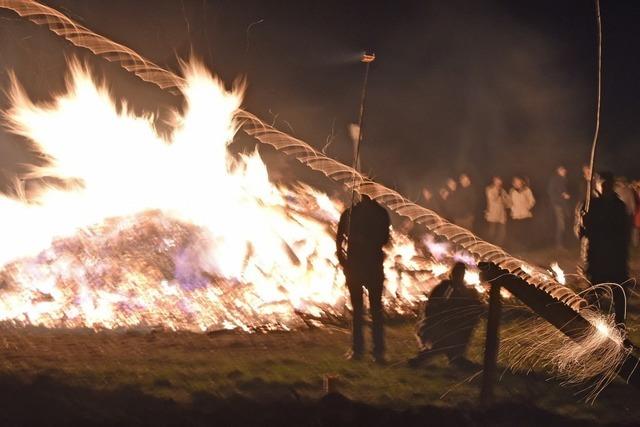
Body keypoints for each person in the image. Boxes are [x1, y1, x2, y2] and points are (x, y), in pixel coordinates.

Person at [336, 194, 391, 362]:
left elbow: (384, 239)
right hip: (358, 266)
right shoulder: (351, 213)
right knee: (363, 310)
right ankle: (363, 350)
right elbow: (339, 238)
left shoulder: (376, 213)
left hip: (369, 266)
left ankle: (374, 351)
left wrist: (362, 241)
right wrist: (343, 260)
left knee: (372, 310)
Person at [577, 172, 631, 325]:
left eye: (609, 183)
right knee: (594, 295)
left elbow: (624, 233)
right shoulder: (588, 205)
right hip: (596, 256)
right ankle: (589, 329)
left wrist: (623, 256)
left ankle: (620, 328)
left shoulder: (619, 206)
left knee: (620, 295)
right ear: (597, 184)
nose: (606, 186)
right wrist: (582, 223)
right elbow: (580, 234)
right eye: (603, 183)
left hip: (616, 258)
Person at [409, 262, 483, 367]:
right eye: (457, 273)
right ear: (452, 273)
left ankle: (456, 357)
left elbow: (472, 308)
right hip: (436, 326)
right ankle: (426, 357)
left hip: (455, 326)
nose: (460, 276)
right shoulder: (444, 287)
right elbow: (431, 310)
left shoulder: (465, 291)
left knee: (459, 333)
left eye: (462, 273)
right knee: (444, 343)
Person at [548, 165, 571, 249]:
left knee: (564, 224)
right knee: (561, 225)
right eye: (562, 169)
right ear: (558, 170)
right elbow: (551, 193)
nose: (564, 170)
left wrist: (566, 195)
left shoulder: (564, 179)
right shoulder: (555, 180)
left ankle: (564, 243)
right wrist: (562, 196)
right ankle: (559, 244)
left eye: (564, 169)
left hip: (564, 205)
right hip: (558, 205)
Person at [509, 176, 535, 249]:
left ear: (521, 182)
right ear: (513, 183)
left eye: (518, 181)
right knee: (517, 232)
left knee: (525, 232)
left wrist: (527, 207)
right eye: (515, 181)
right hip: (516, 215)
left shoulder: (527, 190)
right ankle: (518, 247)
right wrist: (512, 209)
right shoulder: (511, 191)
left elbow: (532, 201)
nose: (517, 183)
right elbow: (509, 201)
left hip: (525, 215)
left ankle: (526, 246)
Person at [485, 176, 509, 245]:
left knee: (502, 232)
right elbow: (492, 199)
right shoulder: (489, 189)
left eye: (499, 181)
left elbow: (508, 202)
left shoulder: (503, 190)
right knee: (492, 232)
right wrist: (499, 194)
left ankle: (499, 246)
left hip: (502, 215)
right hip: (493, 214)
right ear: (494, 181)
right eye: (496, 181)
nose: (498, 182)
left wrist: (505, 200)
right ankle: (490, 246)